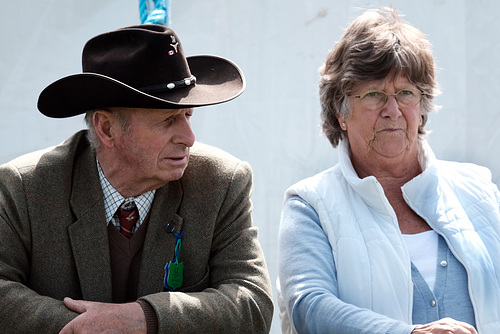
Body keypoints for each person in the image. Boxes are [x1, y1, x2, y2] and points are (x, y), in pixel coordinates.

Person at [0, 24, 273, 333]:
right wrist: (90, 327)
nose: (189, 138)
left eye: (188, 116)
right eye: (168, 120)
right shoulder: (25, 187)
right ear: (107, 128)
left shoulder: (222, 181)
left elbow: (253, 303)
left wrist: (146, 318)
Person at [278, 7, 500, 334]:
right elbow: (309, 306)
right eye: (374, 94)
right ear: (341, 111)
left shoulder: (479, 188)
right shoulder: (310, 204)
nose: (393, 111)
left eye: (406, 93)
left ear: (422, 110)